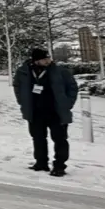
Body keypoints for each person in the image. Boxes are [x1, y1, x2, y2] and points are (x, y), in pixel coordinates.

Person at [14, 47, 78, 176]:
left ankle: (59, 166)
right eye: (44, 59)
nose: (48, 61)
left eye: (48, 58)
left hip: (56, 112)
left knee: (60, 139)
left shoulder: (60, 71)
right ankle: (41, 162)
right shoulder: (23, 72)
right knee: (38, 138)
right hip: (35, 112)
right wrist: (22, 102)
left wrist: (67, 104)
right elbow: (17, 87)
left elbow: (72, 87)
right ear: (36, 60)